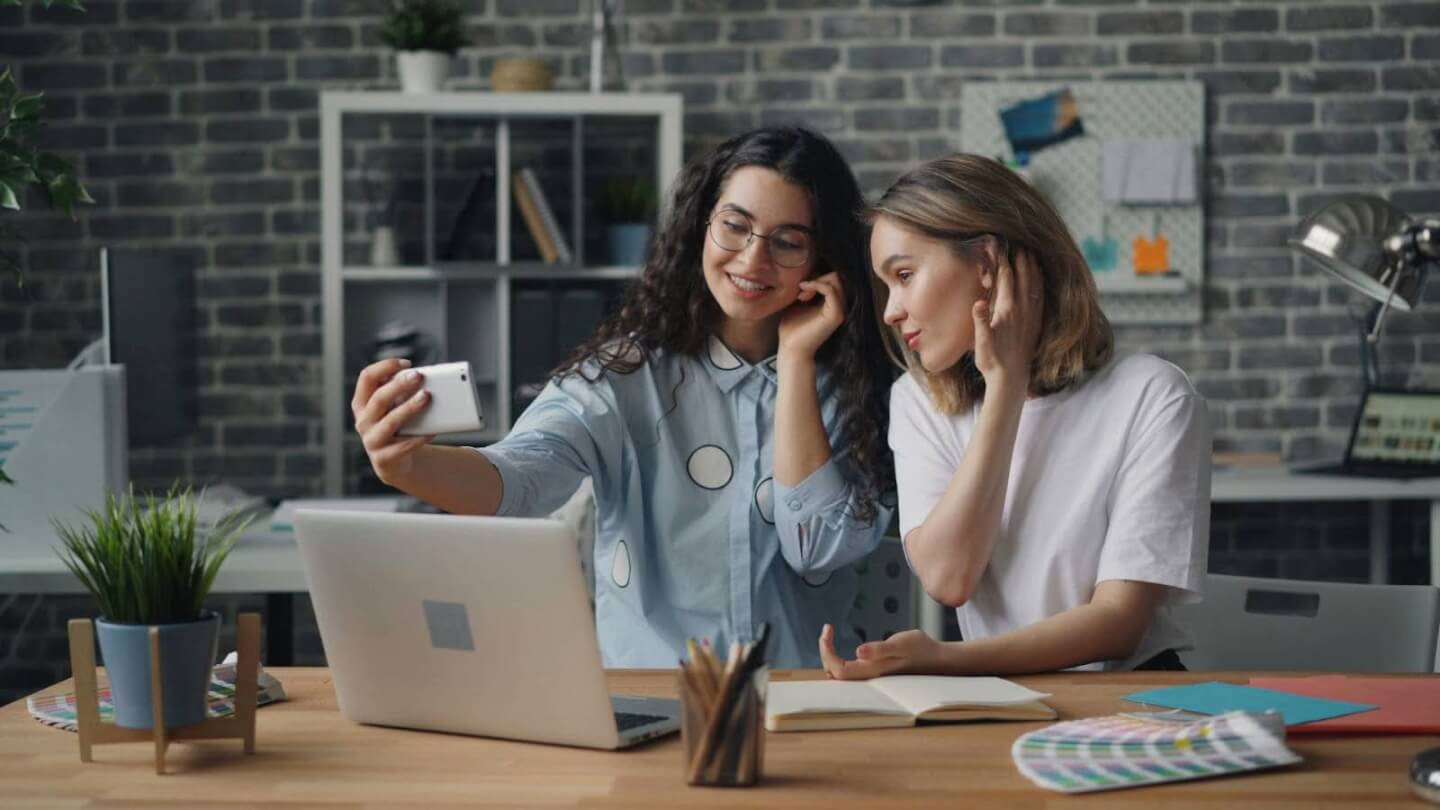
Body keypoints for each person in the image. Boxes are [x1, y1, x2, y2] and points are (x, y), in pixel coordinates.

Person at [352, 127, 896, 668]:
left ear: (822, 259)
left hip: (807, 702)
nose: (753, 261)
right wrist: (409, 466)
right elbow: (518, 484)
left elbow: (819, 549)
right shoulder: (622, 378)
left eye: (787, 241)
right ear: (700, 226)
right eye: (735, 226)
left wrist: (797, 361)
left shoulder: (854, 389)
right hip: (654, 704)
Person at [820, 153, 1209, 677]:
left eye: (905, 275)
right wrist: (1006, 387)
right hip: (1004, 697)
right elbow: (949, 577)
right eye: (888, 285)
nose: (891, 310)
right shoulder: (919, 402)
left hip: (1129, 695)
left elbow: (1119, 622)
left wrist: (949, 658)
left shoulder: (1152, 395)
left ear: (987, 265)